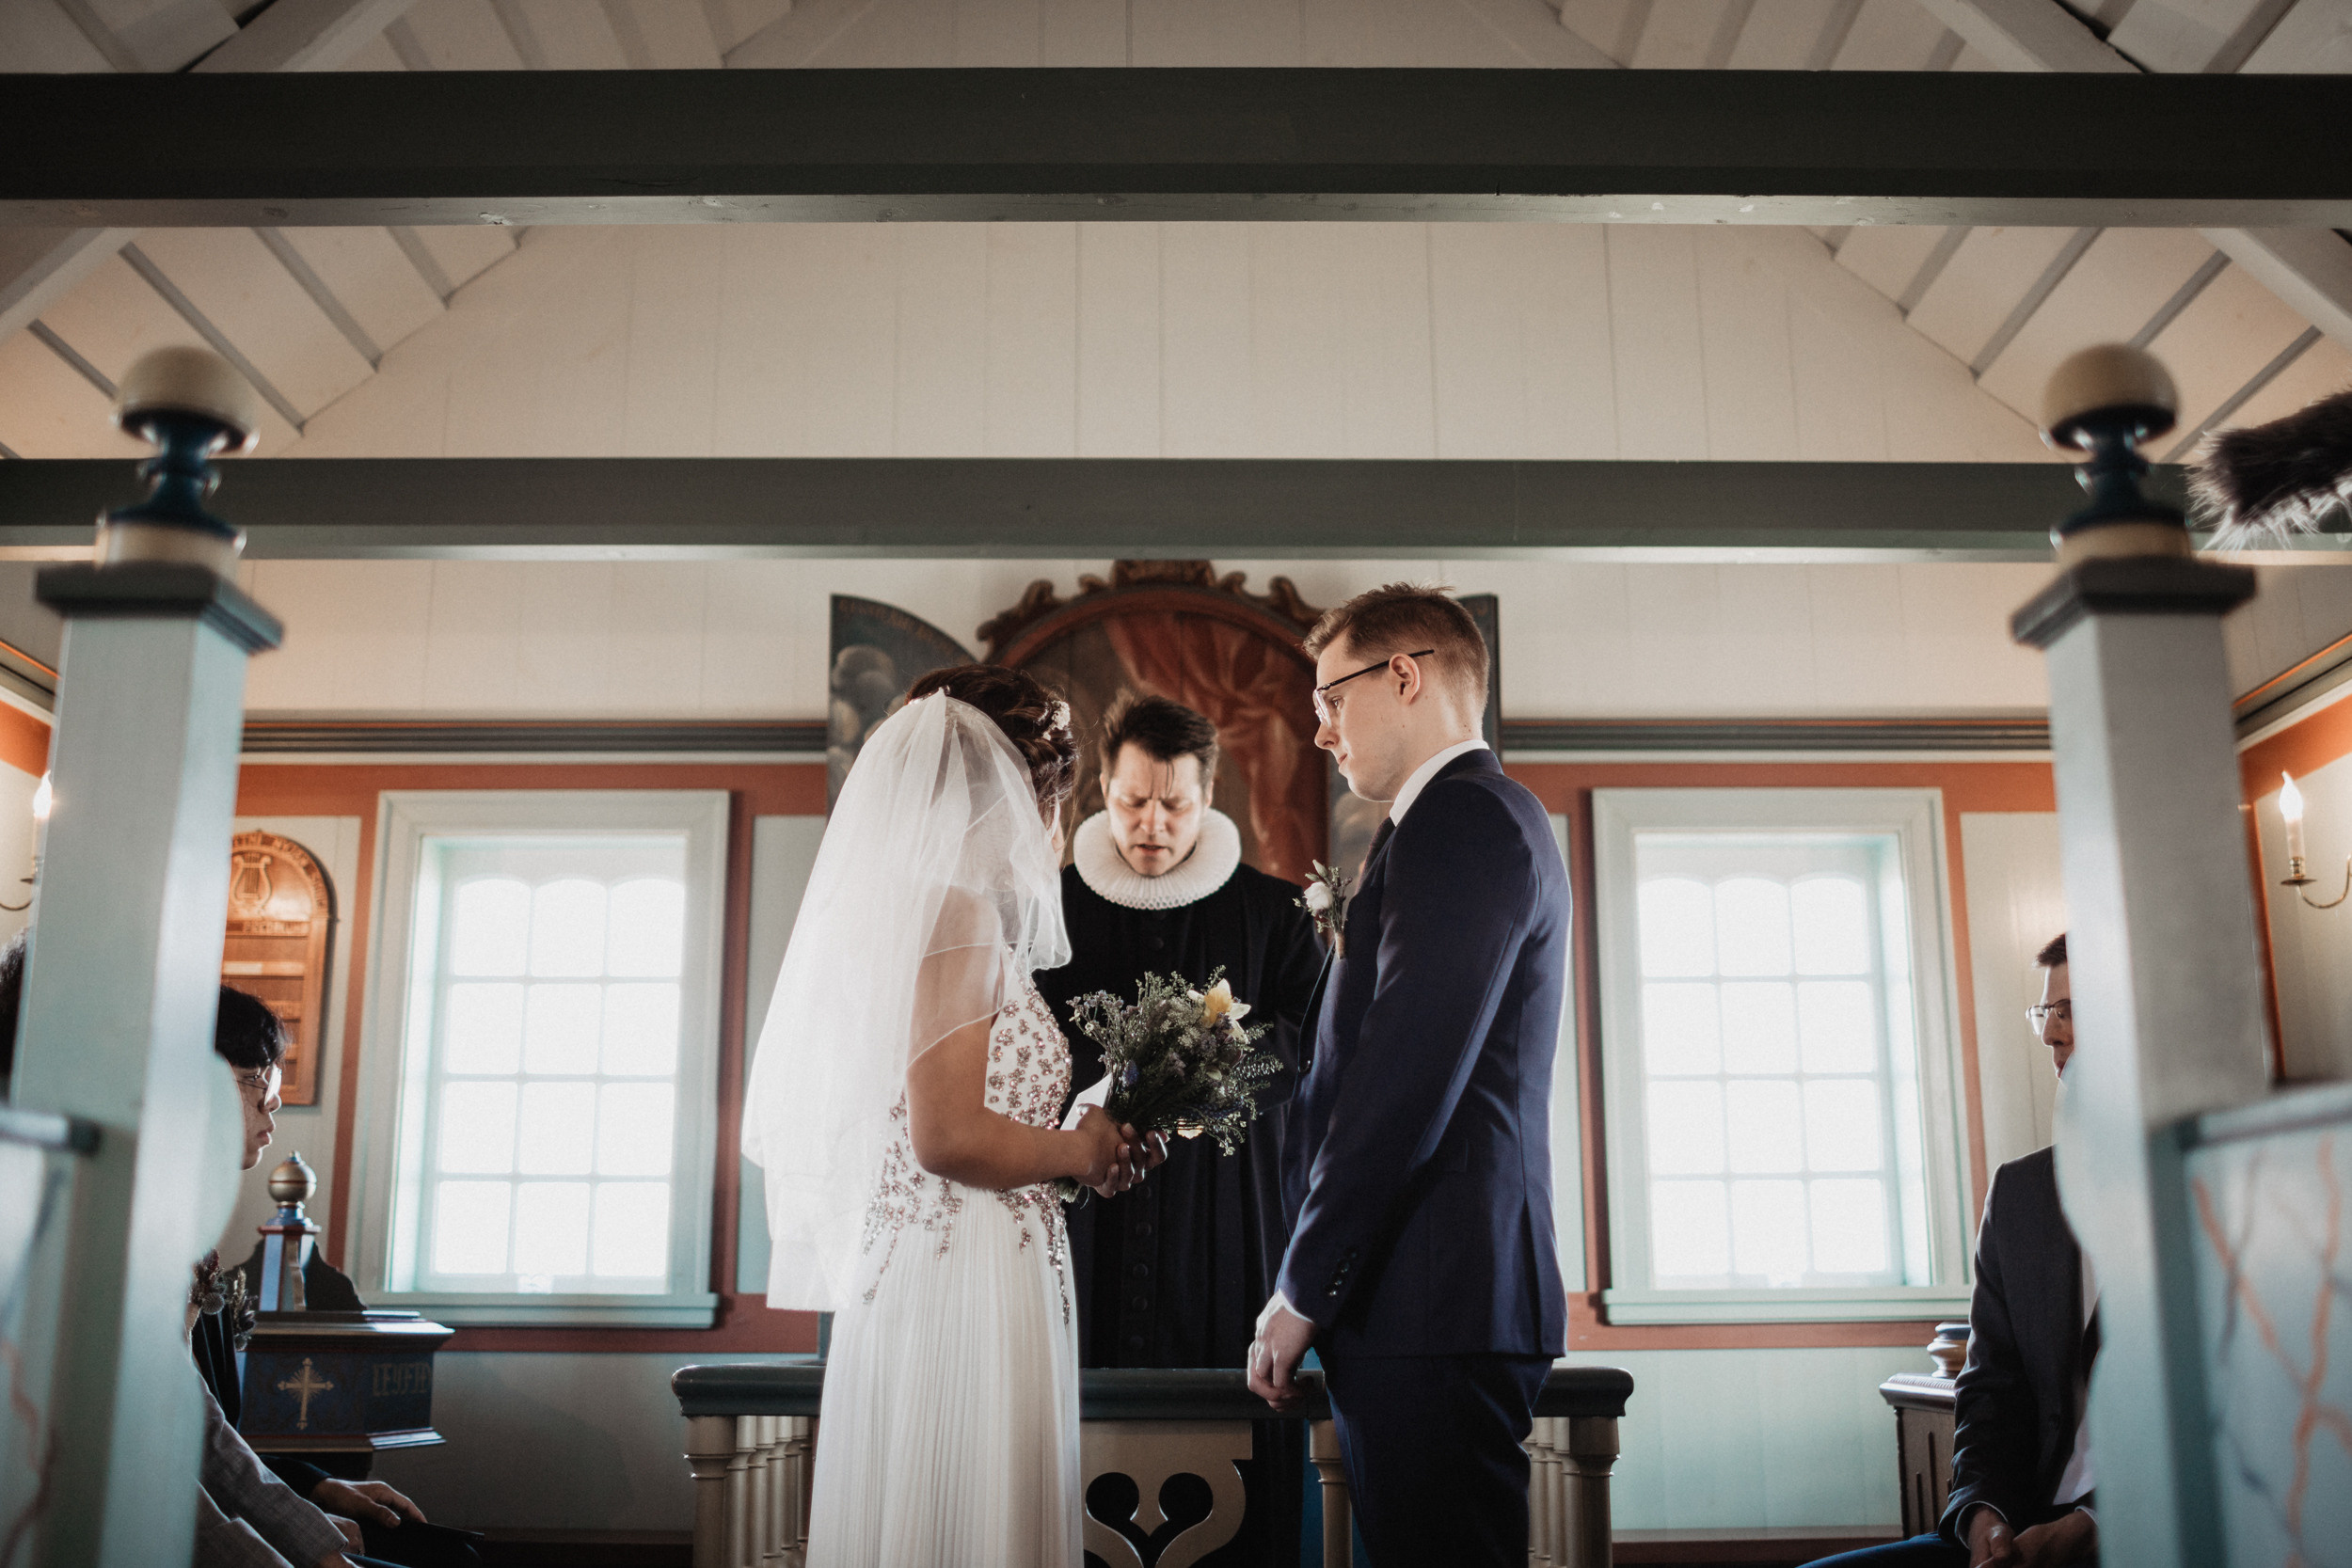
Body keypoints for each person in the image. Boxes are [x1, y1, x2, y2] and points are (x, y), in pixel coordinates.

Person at [741, 664, 1162, 1568]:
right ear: (1022, 790)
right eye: (1054, 790)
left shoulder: (914, 909)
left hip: (937, 1259)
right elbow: (947, 1134)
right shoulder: (961, 913)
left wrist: (1078, 1129)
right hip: (964, 1269)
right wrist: (1081, 1150)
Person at [1246, 584, 1569, 1568]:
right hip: (1424, 1293)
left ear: (1404, 673)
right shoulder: (1444, 824)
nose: (1319, 730)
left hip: (1435, 1294)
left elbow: (1403, 1080)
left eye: (1332, 698)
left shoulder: (1466, 820)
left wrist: (1303, 1284)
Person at [1034, 694, 1323, 1566]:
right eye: (1130, 800)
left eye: (1174, 804)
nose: (1151, 823)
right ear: (1103, 792)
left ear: (1209, 797)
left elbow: (1307, 1044)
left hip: (1225, 1209)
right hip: (1080, 1209)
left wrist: (1193, 1078)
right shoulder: (1049, 910)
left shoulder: (1277, 916)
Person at [1801, 934, 2098, 1568]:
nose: (2051, 1034)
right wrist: (1984, 1513)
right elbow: (1989, 1389)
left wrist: (2087, 1527)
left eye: (2070, 1009)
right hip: (2013, 1529)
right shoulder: (2021, 1195)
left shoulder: (2210, 1188)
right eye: (2046, 1013)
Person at [190, 987, 474, 1568]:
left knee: (452, 1555)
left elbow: (210, 1429)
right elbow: (175, 1449)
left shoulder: (195, 1230)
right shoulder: (143, 1230)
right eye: (256, 1082)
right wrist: (305, 1539)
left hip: (240, 1497)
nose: (275, 1105)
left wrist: (319, 1487)